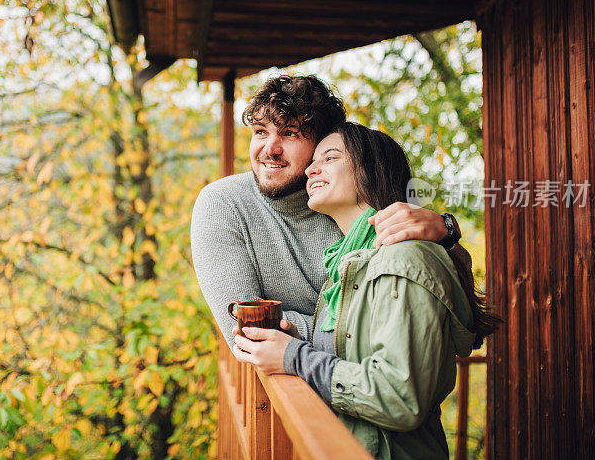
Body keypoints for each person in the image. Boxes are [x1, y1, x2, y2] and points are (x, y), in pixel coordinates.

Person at [231, 122, 500, 459]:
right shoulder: (348, 263)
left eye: (329, 158)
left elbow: (400, 396)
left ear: (371, 170)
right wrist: (297, 339)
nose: (311, 169)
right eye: (313, 161)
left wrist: (293, 357)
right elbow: (358, 356)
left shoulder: (402, 257)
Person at [191, 75, 467, 344]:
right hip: (315, 378)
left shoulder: (350, 197)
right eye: (261, 132)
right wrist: (363, 331)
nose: (270, 149)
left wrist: (447, 231)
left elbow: (444, 300)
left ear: (322, 143)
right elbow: (246, 328)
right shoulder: (223, 202)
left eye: (290, 133)